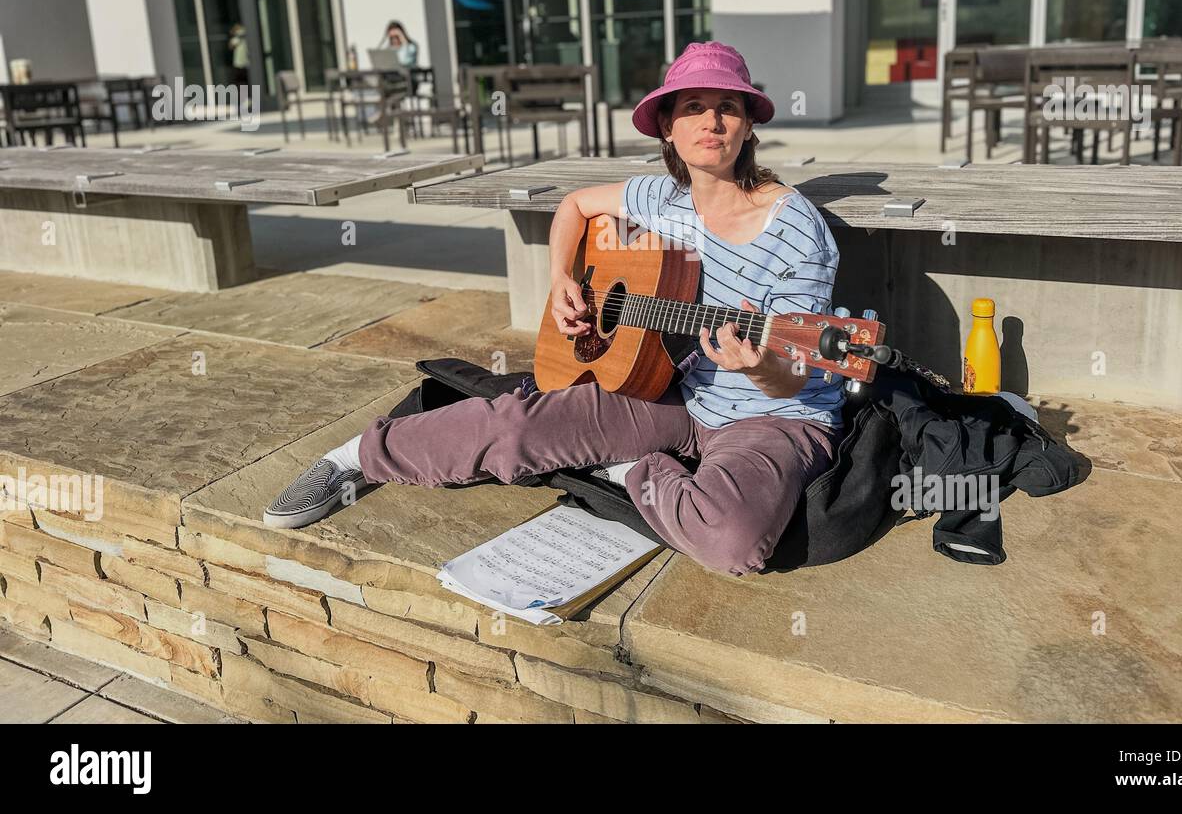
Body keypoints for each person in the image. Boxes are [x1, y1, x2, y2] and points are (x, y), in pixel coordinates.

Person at [263, 42, 847, 578]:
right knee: (518, 426)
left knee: (732, 541)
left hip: (776, 416)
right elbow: (573, 205)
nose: (711, 122)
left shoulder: (794, 228)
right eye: (693, 107)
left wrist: (757, 368)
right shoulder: (662, 196)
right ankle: (355, 457)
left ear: (748, 127)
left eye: (727, 107)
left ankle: (625, 470)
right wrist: (562, 276)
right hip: (678, 393)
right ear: (668, 128)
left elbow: (799, 371)